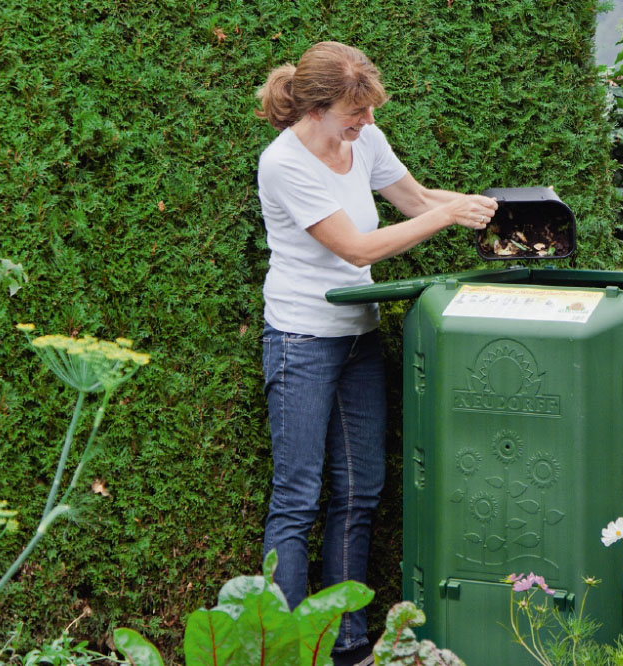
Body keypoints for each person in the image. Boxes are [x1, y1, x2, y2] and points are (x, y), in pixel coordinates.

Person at [255, 41, 497, 666]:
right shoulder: (283, 164)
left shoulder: (365, 138)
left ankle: (347, 645)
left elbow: (415, 202)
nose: (363, 124)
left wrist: (488, 207)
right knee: (298, 496)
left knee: (361, 491)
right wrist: (447, 221)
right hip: (300, 339)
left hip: (358, 335)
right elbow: (357, 249)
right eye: (352, 114)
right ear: (314, 107)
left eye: (367, 112)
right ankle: (282, 651)